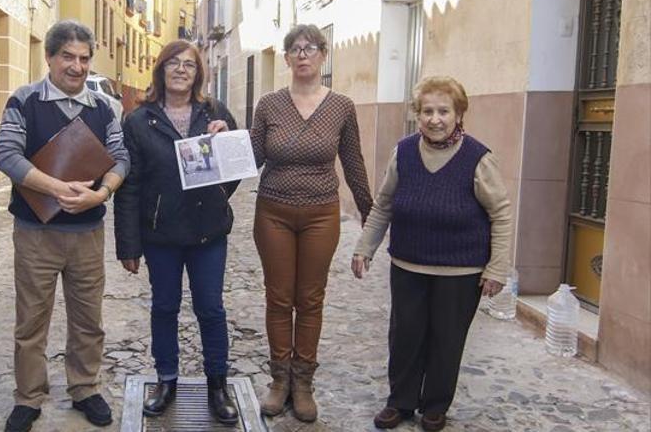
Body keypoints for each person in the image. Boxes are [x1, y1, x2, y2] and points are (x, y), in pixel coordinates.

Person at [0, 20, 130, 432]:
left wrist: (101, 194)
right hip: (36, 232)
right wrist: (56, 187)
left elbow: (121, 158)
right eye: (67, 57)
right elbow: (5, 153)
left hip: (87, 233)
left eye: (84, 58)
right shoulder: (24, 100)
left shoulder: (104, 108)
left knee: (88, 319)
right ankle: (28, 396)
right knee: (31, 320)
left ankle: (85, 388)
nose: (77, 66)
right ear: (50, 57)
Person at [352, 76, 513, 431]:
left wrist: (496, 268)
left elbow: (500, 213)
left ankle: (436, 406)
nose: (435, 119)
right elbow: (384, 205)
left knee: (447, 340)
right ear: (417, 115)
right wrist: (365, 248)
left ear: (459, 115)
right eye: (427, 111)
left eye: (443, 111)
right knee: (405, 335)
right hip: (408, 264)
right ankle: (400, 402)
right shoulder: (405, 152)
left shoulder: (477, 157)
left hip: (461, 270)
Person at [250, 24, 373, 422]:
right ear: (286, 58)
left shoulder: (341, 106)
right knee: (279, 297)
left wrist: (370, 212)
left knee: (310, 298)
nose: (302, 54)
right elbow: (250, 158)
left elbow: (353, 162)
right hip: (273, 212)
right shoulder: (268, 104)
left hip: (322, 213)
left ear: (323, 54)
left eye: (310, 48)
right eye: (294, 49)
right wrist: (217, 141)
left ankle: (303, 383)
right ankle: (279, 380)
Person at [113, 40, 240, 425]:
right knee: (164, 308)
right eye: (174, 63)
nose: (182, 69)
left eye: (189, 64)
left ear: (198, 72)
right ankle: (166, 380)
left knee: (211, 309)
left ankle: (217, 384)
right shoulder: (138, 121)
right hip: (161, 235)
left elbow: (235, 167)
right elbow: (129, 186)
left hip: (208, 232)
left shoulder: (215, 113)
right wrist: (128, 245)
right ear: (161, 70)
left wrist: (225, 138)